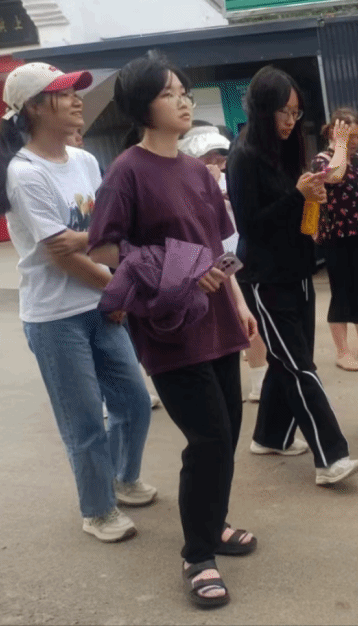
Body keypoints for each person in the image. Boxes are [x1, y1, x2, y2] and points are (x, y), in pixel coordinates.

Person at [87, 52, 259, 609]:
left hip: (219, 318)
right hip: (170, 326)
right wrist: (172, 266)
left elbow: (219, 247)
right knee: (207, 439)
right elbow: (104, 247)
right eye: (168, 93)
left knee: (226, 433)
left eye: (184, 91)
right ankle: (197, 555)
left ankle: (213, 523)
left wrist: (237, 300)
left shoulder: (196, 171)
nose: (183, 100)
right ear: (142, 106)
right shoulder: (127, 172)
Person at [0, 62, 155, 544]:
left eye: (75, 91)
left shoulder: (83, 161)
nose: (77, 99)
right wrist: (114, 285)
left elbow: (102, 235)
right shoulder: (24, 173)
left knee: (134, 403)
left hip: (101, 304)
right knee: (83, 422)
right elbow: (60, 256)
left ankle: (122, 479)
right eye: (64, 93)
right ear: (35, 108)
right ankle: (97, 510)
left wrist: (108, 278)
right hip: (55, 318)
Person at [226, 65, 358, 486]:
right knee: (299, 365)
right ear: (262, 108)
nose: (290, 121)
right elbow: (251, 226)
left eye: (295, 112)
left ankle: (270, 437)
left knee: (288, 361)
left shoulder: (285, 149)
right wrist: (296, 196)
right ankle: (331, 457)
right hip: (265, 279)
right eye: (283, 112)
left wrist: (312, 200)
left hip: (299, 270)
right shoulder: (243, 156)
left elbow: (300, 214)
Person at [179, 123, 270, 401]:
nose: (214, 161)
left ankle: (259, 378)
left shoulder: (232, 176)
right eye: (207, 156)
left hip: (237, 254)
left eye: (219, 154)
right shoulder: (183, 181)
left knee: (249, 317)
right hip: (202, 263)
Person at [310, 107, 358, 372]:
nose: (354, 142)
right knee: (342, 292)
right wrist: (339, 145)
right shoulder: (322, 159)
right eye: (349, 136)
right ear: (334, 132)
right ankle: (342, 351)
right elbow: (335, 176)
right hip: (337, 234)